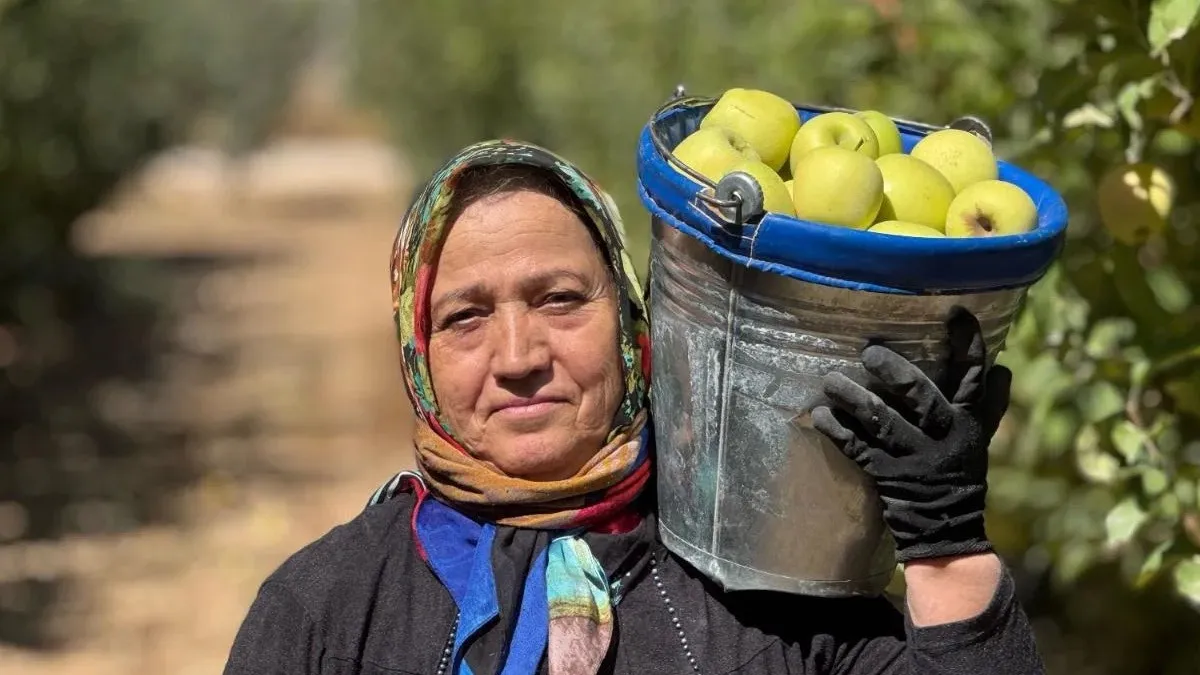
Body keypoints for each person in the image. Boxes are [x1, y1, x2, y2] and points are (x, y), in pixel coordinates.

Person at [222, 139, 1045, 675]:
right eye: (465, 316)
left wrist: (944, 548)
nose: (518, 357)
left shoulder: (769, 597)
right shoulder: (326, 607)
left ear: (632, 322)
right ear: (418, 354)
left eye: (559, 299)